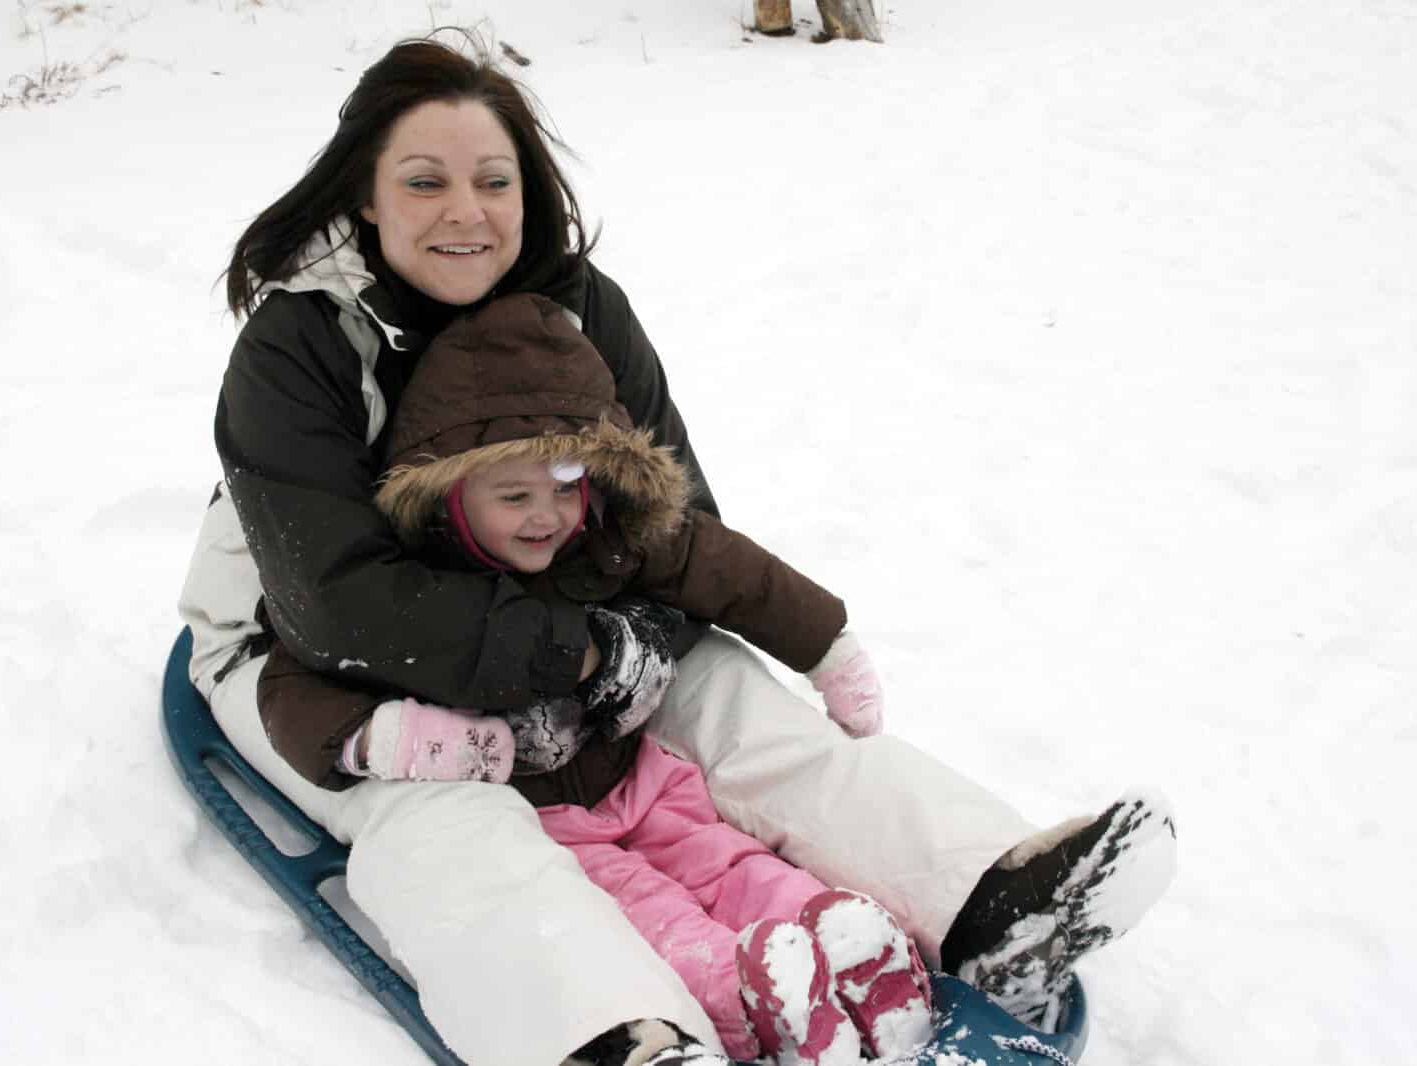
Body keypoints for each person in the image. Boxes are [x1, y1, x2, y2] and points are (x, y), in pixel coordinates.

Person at [176, 32, 1178, 1066]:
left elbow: (669, 518)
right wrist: (580, 660)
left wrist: (641, 642)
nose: (464, 211)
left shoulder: (579, 310)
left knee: (728, 703)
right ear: (368, 197)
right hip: (312, 665)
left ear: (530, 193)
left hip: (560, 603)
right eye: (423, 180)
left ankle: (987, 900)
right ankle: (615, 1036)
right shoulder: (297, 345)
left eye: (492, 179)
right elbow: (335, 606)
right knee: (444, 817)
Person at [256, 291, 936, 1064]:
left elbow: (729, 568)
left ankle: (839, 949)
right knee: (643, 913)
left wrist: (826, 644)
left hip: (640, 774)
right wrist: (388, 736)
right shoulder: (408, 590)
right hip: (541, 820)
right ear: (445, 493)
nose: (546, 514)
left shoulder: (604, 539)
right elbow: (294, 685)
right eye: (513, 495)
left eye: (567, 486)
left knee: (730, 863)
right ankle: (748, 999)